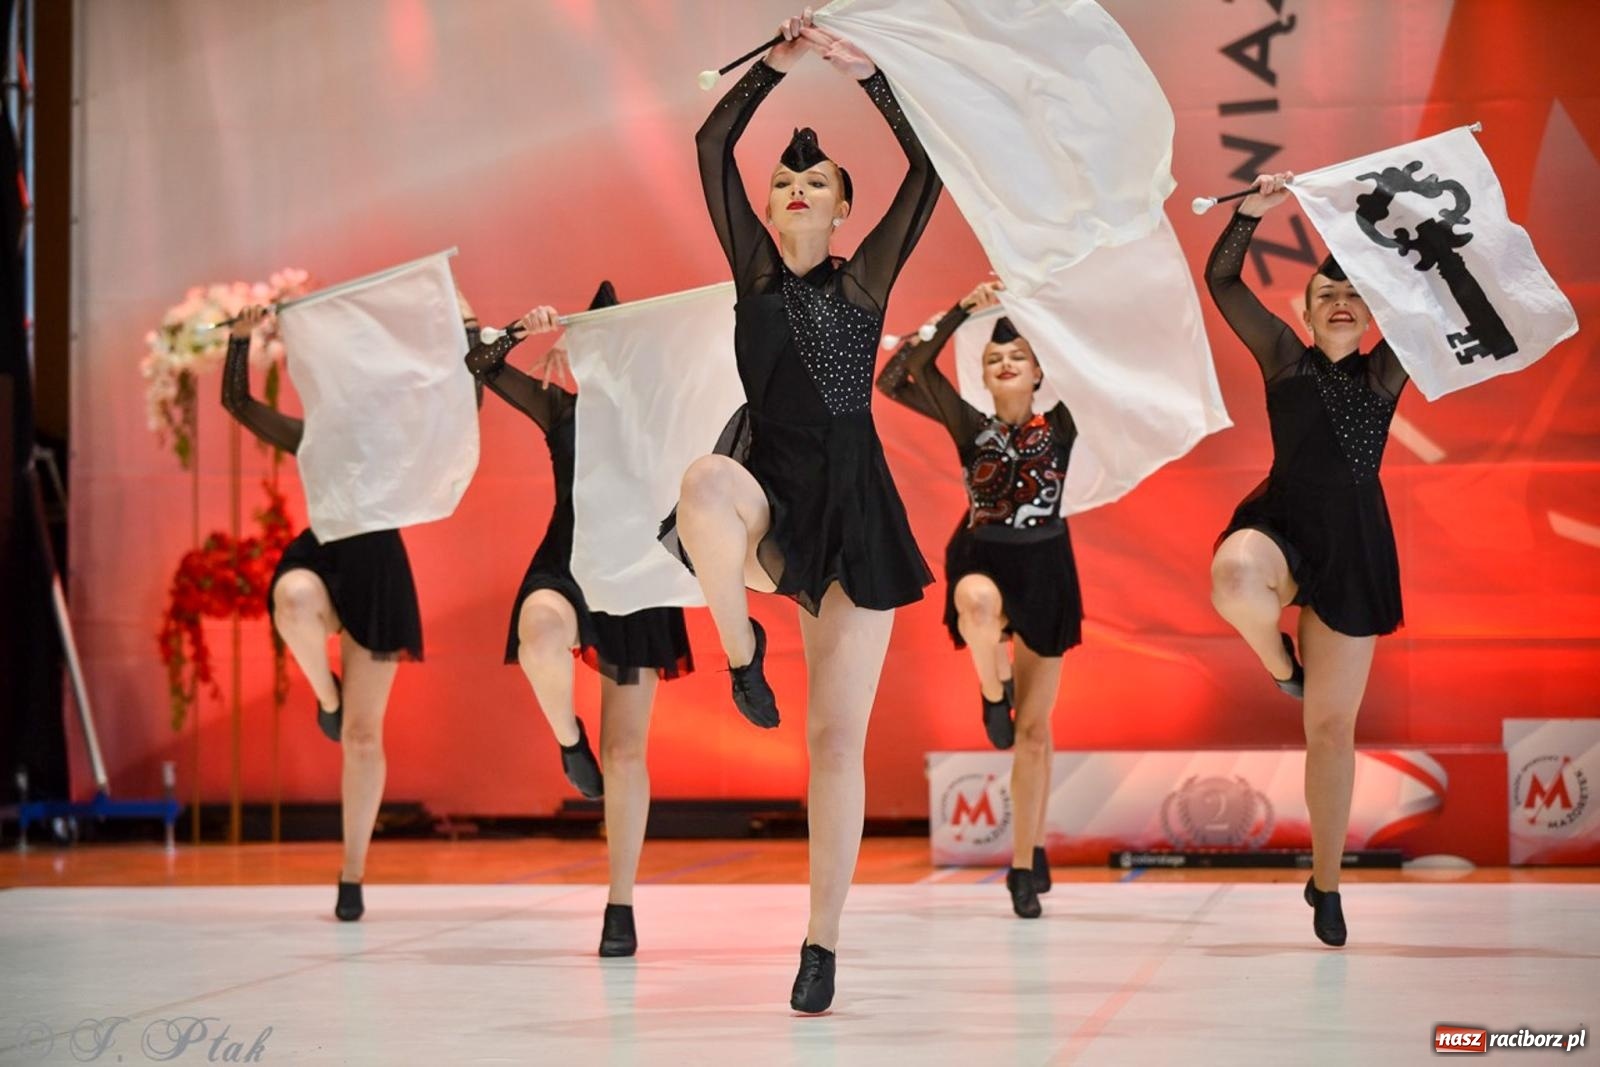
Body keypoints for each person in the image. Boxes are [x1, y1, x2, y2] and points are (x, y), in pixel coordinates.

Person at [660, 11, 940, 1012]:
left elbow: (930, 169)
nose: (794, 188)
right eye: (785, 179)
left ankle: (821, 940)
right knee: (703, 482)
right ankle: (740, 655)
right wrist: (773, 71)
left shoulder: (864, 283)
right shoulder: (755, 272)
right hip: (767, 494)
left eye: (816, 181)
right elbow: (711, 146)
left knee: (833, 740)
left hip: (853, 509)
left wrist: (868, 76)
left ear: (844, 206)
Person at [1204, 171, 1411, 947]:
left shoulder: (1386, 372)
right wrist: (1251, 215)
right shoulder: (1285, 360)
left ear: (1371, 310)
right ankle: (1278, 661)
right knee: (1233, 577)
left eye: (1355, 293)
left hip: (1353, 546)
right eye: (1327, 291)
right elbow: (1223, 281)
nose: (1341, 301)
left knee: (1329, 730)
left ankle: (1325, 881)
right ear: (1305, 307)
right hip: (1283, 522)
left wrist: (1402, 225)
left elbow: (1436, 301)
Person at [466, 283, 694, 957]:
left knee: (625, 752)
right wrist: (520, 329)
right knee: (537, 633)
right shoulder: (561, 408)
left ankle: (619, 903)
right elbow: (480, 364)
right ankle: (570, 741)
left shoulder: (669, 420)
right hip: (566, 564)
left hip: (636, 578)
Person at [222, 299, 467, 921]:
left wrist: (466, 330)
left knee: (362, 737)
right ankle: (326, 696)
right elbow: (239, 404)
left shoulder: (401, 439)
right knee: (291, 600)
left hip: (378, 573)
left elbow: (462, 412)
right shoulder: (313, 437)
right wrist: (241, 340)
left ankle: (352, 873)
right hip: (323, 556)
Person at [876, 280, 1082, 919]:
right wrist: (962, 310)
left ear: (1039, 370)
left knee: (1035, 734)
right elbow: (899, 375)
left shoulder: (1063, 424)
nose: (1006, 363)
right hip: (983, 555)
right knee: (976, 606)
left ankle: (1025, 859)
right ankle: (993, 692)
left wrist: (1033, 308)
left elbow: (1087, 359)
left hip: (1046, 567)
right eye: (994, 359)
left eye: (1018, 355)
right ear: (984, 376)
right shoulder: (971, 425)